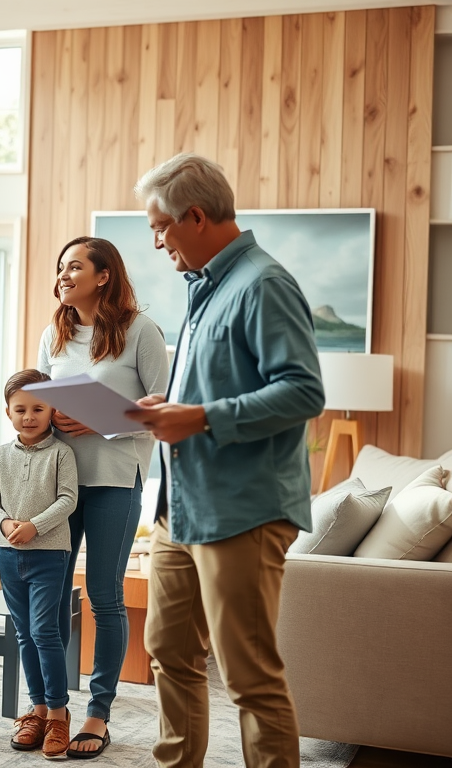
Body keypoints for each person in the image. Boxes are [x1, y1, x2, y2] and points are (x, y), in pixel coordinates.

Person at [126, 153, 325, 768]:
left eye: (160, 227)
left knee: (249, 676)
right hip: (178, 509)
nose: (156, 242)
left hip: (242, 511)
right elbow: (216, 386)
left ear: (196, 215)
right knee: (168, 653)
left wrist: (201, 417)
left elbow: (303, 391)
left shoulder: (262, 283)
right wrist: (176, 404)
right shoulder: (205, 288)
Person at [37, 235, 169, 758]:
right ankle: (51, 708)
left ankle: (98, 712)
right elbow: (37, 400)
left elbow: (162, 412)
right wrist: (46, 414)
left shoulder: (142, 332)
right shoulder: (55, 333)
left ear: (104, 275)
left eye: (74, 267)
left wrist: (100, 420)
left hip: (116, 478)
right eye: (61, 268)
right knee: (50, 597)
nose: (64, 276)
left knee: (105, 596)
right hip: (59, 484)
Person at [0, 369, 78, 760]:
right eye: (20, 409)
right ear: (8, 413)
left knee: (44, 631)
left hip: (50, 555)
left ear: (52, 410)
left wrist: (34, 527)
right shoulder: (1, 455)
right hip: (8, 555)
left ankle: (58, 715)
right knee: (23, 634)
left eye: (38, 408)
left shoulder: (62, 453)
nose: (29, 416)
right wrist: (5, 524)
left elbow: (68, 499)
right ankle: (37, 712)